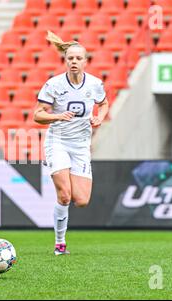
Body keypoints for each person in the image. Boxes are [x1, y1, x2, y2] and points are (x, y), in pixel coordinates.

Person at [33, 31, 109, 256]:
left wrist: (99, 117)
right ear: (65, 61)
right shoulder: (54, 84)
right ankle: (60, 243)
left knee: (82, 200)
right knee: (64, 195)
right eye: (70, 58)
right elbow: (38, 115)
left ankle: (61, 235)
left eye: (78, 58)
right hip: (58, 142)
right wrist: (57, 116)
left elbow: (103, 104)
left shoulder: (95, 84)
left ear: (85, 61)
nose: (74, 62)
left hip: (80, 146)